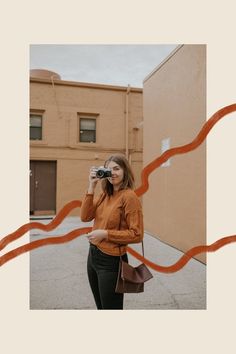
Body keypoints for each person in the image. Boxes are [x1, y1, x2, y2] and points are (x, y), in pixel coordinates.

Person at [80, 153, 144, 310]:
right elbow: (85, 216)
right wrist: (91, 186)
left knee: (111, 309)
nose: (112, 173)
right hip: (93, 256)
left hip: (111, 261)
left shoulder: (129, 197)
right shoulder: (105, 195)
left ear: (125, 171)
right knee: (101, 308)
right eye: (108, 170)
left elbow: (137, 234)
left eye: (116, 168)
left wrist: (105, 234)